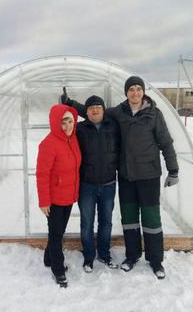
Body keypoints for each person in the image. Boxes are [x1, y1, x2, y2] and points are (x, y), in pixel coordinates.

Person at [62, 76, 179, 279]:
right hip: (126, 176)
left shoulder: (154, 114)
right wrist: (71, 104)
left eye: (138, 89)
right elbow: (94, 113)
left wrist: (173, 169)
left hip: (149, 176)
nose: (135, 92)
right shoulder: (119, 112)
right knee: (130, 220)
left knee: (152, 219)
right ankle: (132, 256)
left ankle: (155, 260)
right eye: (131, 89)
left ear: (143, 92)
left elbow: (166, 142)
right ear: (126, 92)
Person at [36, 104, 81, 287]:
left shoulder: (73, 140)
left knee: (57, 232)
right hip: (54, 199)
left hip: (68, 196)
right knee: (56, 235)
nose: (68, 126)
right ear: (56, 123)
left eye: (70, 121)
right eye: (63, 122)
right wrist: (44, 201)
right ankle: (58, 269)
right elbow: (42, 174)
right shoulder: (48, 144)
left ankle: (48, 258)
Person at [75, 95, 120, 273]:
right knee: (87, 223)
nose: (95, 110)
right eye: (91, 107)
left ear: (103, 109)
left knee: (106, 222)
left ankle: (104, 254)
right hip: (87, 185)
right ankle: (88, 257)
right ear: (86, 112)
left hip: (109, 184)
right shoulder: (79, 128)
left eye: (98, 107)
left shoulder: (113, 126)